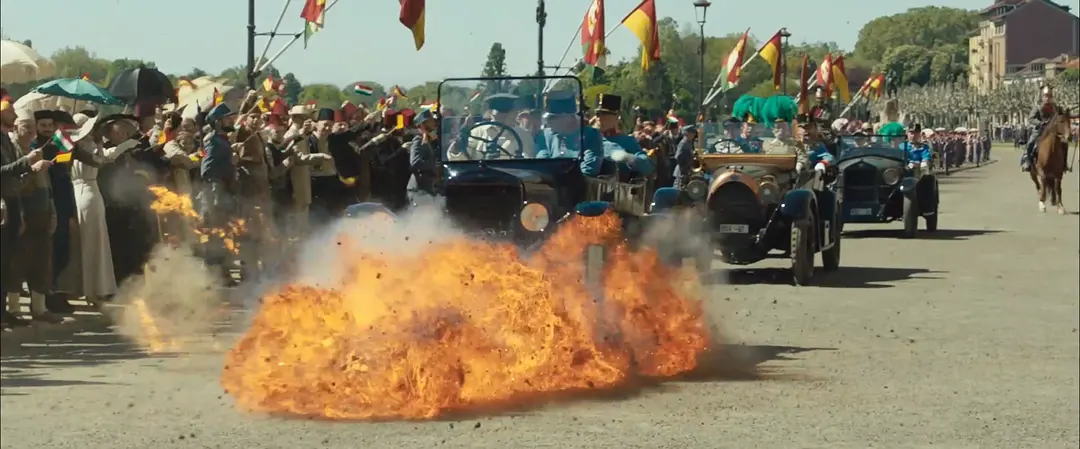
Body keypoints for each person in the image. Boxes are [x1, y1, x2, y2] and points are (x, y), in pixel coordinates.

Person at [69, 114, 138, 307]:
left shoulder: (80, 145)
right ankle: (92, 291)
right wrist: (125, 145)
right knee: (91, 244)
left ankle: (92, 290)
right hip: (88, 192)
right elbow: (104, 159)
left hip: (84, 192)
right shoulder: (83, 147)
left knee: (91, 243)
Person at [449, 93, 536, 160]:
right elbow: (458, 159)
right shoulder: (476, 131)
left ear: (514, 113)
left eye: (506, 114)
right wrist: (460, 141)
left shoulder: (524, 136)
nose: (502, 118)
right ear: (490, 114)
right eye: (499, 115)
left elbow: (528, 162)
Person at [535, 91, 603, 176]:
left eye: (552, 118)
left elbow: (589, 170)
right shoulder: (546, 136)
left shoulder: (590, 135)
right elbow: (541, 164)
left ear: (567, 117)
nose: (548, 123)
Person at [594, 94, 654, 178]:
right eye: (597, 114)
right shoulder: (587, 138)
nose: (599, 118)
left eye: (604, 114)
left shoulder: (627, 141)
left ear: (616, 117)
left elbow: (647, 166)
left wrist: (629, 158)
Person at [1023, 84, 1066, 172]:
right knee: (1030, 143)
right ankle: (1028, 162)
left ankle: (1064, 164)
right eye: (1046, 96)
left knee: (1064, 144)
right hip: (1040, 131)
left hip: (1053, 132)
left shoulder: (1056, 108)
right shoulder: (1037, 107)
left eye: (1050, 96)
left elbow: (1062, 116)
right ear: (1042, 97)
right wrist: (1040, 123)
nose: (1048, 98)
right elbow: (1031, 118)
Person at [408, 108, 439, 196]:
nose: (434, 122)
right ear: (424, 124)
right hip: (419, 189)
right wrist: (432, 166)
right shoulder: (418, 139)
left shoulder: (426, 140)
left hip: (426, 188)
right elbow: (415, 162)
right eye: (431, 120)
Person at [672, 124, 697, 189]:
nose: (694, 135)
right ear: (687, 133)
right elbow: (678, 157)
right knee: (678, 188)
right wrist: (687, 157)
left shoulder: (689, 142)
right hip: (681, 170)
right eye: (692, 133)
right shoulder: (684, 143)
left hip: (686, 170)